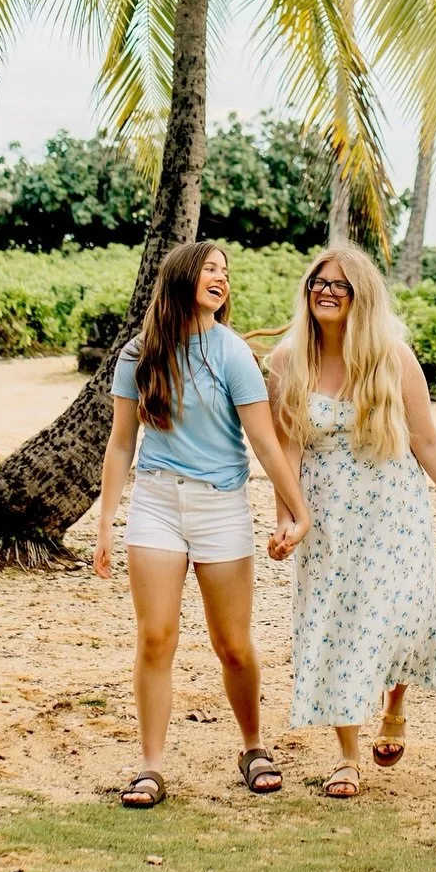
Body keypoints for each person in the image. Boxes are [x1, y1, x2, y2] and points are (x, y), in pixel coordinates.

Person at [267, 244, 436, 800]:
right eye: (319, 282)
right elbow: (285, 450)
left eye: (341, 285)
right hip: (325, 513)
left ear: (361, 296)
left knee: (395, 615)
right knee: (336, 622)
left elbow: (428, 441)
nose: (327, 291)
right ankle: (347, 755)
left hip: (392, 507)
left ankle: (394, 699)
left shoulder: (392, 357)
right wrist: (288, 520)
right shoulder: (285, 361)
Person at [92, 240, 311, 808]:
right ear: (183, 277)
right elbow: (121, 445)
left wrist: (296, 510)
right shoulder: (139, 354)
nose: (222, 279)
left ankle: (253, 746)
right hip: (157, 503)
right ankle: (150, 766)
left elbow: (264, 440)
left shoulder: (232, 352)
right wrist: (106, 521)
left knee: (232, 644)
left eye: (226, 272)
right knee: (156, 636)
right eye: (211, 269)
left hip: (221, 507)